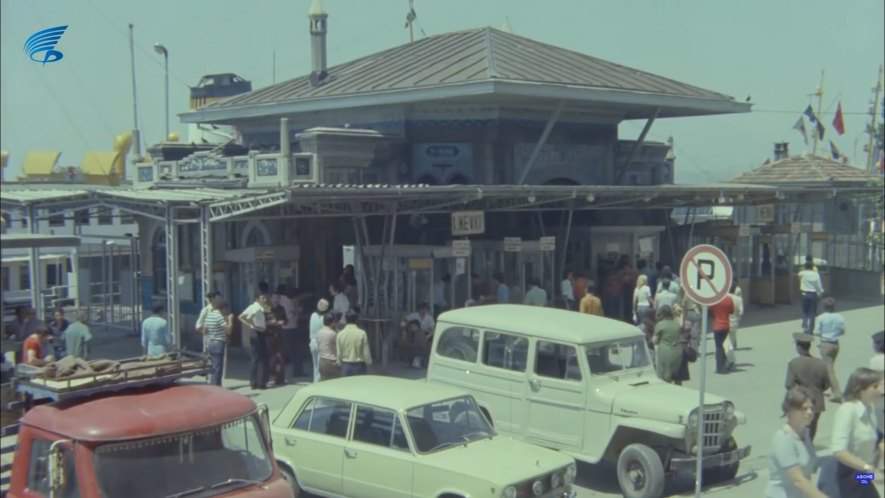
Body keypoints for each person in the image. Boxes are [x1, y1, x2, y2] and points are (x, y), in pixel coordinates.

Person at [821, 368, 883, 498]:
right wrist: (868, 468)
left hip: (859, 475)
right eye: (875, 386)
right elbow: (838, 451)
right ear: (861, 389)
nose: (881, 391)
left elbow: (877, 442)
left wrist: (873, 471)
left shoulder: (870, 409)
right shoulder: (847, 410)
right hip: (841, 477)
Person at [764, 386, 826, 498]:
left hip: (801, 495)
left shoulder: (805, 434)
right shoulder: (783, 439)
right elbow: (799, 481)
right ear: (790, 411)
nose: (810, 412)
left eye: (811, 408)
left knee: (857, 479)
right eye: (804, 408)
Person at [784, 333, 831, 442]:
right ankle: (809, 445)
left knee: (799, 426)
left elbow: (788, 384)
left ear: (798, 347)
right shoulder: (820, 363)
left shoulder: (794, 363)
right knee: (812, 427)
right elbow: (827, 384)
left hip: (800, 401)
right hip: (817, 400)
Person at [814, 297, 845, 403]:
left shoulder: (821, 317)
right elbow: (842, 331)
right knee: (829, 367)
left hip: (825, 343)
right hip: (835, 344)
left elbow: (816, 332)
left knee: (829, 369)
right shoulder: (839, 317)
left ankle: (837, 393)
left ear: (823, 307)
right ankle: (824, 387)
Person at [239, 293, 270, 390]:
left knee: (256, 358)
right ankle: (261, 383)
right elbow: (246, 317)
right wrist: (254, 325)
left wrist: (251, 325)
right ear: (257, 299)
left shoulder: (254, 306)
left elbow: (241, 316)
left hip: (256, 333)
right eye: (262, 298)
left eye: (265, 297)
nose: (265, 299)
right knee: (262, 358)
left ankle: (254, 382)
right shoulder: (256, 308)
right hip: (258, 333)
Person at [274, 285, 303, 379]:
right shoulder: (289, 302)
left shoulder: (281, 299)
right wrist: (298, 310)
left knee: (287, 351)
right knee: (295, 351)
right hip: (291, 328)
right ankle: (297, 371)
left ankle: (283, 371)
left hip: (284, 328)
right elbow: (293, 315)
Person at [202, 294, 231, 386]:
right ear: (222, 308)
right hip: (218, 343)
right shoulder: (219, 317)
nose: (227, 311)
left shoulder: (209, 315)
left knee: (213, 366)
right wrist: (230, 320)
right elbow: (228, 331)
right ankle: (216, 386)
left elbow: (204, 331)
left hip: (210, 342)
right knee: (218, 367)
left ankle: (213, 384)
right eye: (226, 309)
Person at [336, 310, 372, 376]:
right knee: (359, 383)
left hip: (345, 366)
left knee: (346, 383)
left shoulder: (340, 334)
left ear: (346, 320)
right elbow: (366, 352)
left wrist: (339, 363)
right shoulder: (362, 333)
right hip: (360, 366)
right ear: (356, 320)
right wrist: (369, 362)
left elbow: (339, 353)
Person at [653, 305, 682, 383]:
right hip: (677, 350)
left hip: (665, 351)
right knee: (676, 374)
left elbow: (654, 341)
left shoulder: (660, 324)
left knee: (665, 375)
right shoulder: (676, 324)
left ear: (662, 314)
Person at [401, 303, 435, 368]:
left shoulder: (429, 317)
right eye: (422, 309)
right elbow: (404, 321)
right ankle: (414, 359)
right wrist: (403, 330)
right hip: (414, 334)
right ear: (419, 309)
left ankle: (421, 360)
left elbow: (433, 329)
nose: (423, 311)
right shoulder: (414, 315)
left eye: (425, 309)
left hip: (426, 334)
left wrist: (427, 337)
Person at [709, 292, 735, 374]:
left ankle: (719, 368)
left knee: (718, 347)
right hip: (726, 325)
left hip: (717, 326)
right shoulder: (729, 299)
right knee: (724, 345)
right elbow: (732, 311)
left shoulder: (715, 299)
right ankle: (724, 364)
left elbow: (710, 312)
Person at [798, 261, 824, 333]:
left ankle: (805, 326)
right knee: (812, 312)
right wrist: (820, 293)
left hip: (804, 294)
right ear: (812, 267)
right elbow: (818, 285)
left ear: (805, 267)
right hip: (813, 294)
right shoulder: (816, 274)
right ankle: (810, 329)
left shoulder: (802, 273)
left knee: (805, 311)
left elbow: (799, 275)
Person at [309, 299, 329, 383]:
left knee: (315, 365)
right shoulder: (325, 317)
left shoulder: (313, 315)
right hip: (321, 342)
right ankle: (319, 382)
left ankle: (315, 381)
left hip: (313, 342)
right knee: (321, 365)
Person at [317, 312, 340, 380]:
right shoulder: (333, 334)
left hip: (322, 360)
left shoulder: (319, 332)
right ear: (332, 322)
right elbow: (338, 347)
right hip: (331, 362)